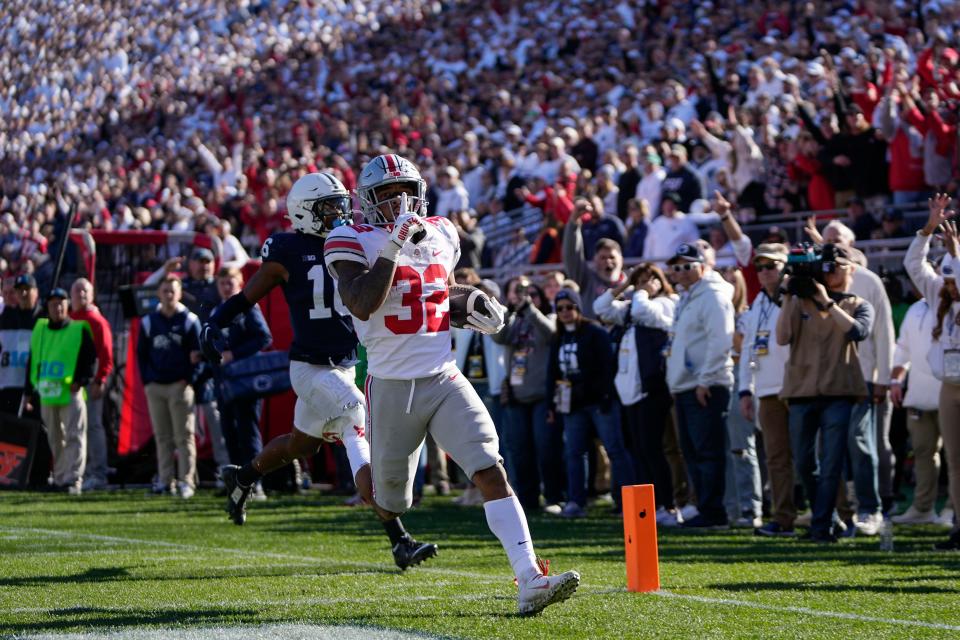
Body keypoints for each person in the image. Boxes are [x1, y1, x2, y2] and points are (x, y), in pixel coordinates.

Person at [324, 154, 579, 615]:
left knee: (489, 466)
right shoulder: (350, 238)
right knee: (390, 500)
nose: (400, 201)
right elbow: (362, 302)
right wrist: (393, 245)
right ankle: (352, 438)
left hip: (443, 376)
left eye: (406, 191)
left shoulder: (441, 231)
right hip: (391, 387)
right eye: (387, 194)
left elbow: (437, 295)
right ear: (367, 200)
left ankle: (529, 578)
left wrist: (475, 303)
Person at [202, 172, 437, 570]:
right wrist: (215, 322)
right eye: (328, 206)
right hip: (310, 368)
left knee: (299, 446)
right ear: (305, 212)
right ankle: (400, 539)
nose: (339, 212)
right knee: (357, 421)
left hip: (346, 365)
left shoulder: (355, 239)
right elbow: (247, 295)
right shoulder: (287, 249)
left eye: (341, 203)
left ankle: (243, 477)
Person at [777, 244, 874, 543]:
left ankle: (821, 527)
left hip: (839, 391)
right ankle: (827, 518)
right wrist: (789, 296)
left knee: (832, 462)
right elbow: (782, 337)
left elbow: (857, 332)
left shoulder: (858, 303)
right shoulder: (799, 301)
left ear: (851, 270)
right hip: (801, 391)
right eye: (826, 267)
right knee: (804, 462)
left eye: (837, 267)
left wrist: (826, 302)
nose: (830, 273)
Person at [593, 263, 679, 525]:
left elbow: (644, 312)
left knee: (654, 450)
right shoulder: (632, 305)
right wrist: (625, 284)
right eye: (639, 279)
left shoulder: (667, 302)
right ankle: (648, 507)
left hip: (652, 389)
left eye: (649, 279)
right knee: (639, 450)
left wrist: (641, 292)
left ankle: (667, 504)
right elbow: (601, 308)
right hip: (629, 392)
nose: (643, 284)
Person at [902, 194, 960, 550]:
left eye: (954, 277)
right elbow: (913, 262)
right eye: (947, 276)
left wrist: (955, 253)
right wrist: (928, 228)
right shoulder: (938, 292)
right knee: (955, 460)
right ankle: (959, 524)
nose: (949, 284)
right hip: (949, 386)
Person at [664, 243, 735, 529]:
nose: (681, 271)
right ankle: (702, 506)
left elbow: (721, 340)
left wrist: (706, 380)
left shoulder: (714, 296)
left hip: (705, 386)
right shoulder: (688, 297)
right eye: (676, 267)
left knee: (707, 451)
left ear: (702, 266)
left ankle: (714, 511)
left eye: (687, 265)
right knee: (693, 452)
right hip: (686, 385)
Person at [547, 288, 635, 518]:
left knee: (615, 449)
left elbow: (608, 366)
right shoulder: (558, 336)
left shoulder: (594, 332)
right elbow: (552, 373)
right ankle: (576, 501)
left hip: (599, 402)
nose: (565, 312)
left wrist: (605, 396)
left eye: (570, 307)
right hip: (572, 405)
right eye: (560, 308)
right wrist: (552, 404)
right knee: (574, 452)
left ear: (578, 308)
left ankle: (625, 502)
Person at [738, 244, 797, 537]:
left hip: (799, 388)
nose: (763, 272)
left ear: (785, 266)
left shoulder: (797, 295)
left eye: (770, 266)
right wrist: (744, 391)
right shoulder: (758, 302)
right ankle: (784, 518)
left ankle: (831, 514)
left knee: (811, 456)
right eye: (759, 267)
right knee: (776, 457)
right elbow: (749, 348)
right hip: (766, 389)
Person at [492, 277, 565, 514]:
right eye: (522, 293)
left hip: (542, 396)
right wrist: (512, 312)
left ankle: (553, 496)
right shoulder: (516, 322)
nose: (526, 297)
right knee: (520, 451)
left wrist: (529, 309)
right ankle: (527, 499)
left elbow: (552, 334)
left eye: (532, 294)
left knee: (545, 448)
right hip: (516, 396)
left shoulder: (549, 318)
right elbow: (498, 337)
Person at [26, 288, 96, 494]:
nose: (57, 307)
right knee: (55, 439)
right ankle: (59, 477)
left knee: (74, 436)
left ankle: (73, 479)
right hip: (48, 393)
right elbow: (34, 360)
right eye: (53, 303)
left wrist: (81, 381)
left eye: (61, 303)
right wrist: (29, 390)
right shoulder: (41, 329)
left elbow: (90, 358)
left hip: (70, 391)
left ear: (67, 305)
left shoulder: (79, 329)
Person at [138, 276, 202, 498]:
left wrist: (189, 379)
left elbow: (198, 354)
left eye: (172, 291)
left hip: (179, 385)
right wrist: (148, 381)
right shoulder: (148, 321)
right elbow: (141, 355)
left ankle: (186, 482)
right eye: (164, 291)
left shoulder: (189, 320)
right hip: (156, 386)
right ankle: (165, 481)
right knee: (162, 437)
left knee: (183, 436)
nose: (168, 295)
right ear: (158, 293)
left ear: (180, 293)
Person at [210, 266, 271, 496]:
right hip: (224, 381)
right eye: (222, 283)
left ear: (239, 284)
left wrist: (235, 354)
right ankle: (237, 482)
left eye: (230, 283)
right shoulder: (218, 310)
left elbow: (264, 336)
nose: (226, 288)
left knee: (248, 431)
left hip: (246, 380)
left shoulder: (248, 308)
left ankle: (256, 483)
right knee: (229, 431)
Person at [889, 292, 944, 525]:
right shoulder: (915, 309)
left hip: (951, 390)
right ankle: (923, 508)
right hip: (918, 395)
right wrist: (896, 380)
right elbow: (903, 348)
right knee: (922, 451)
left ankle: (953, 509)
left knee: (956, 456)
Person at [69, 278, 114, 491]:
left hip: (90, 380)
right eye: (77, 291)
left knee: (93, 426)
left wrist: (100, 379)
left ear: (92, 294)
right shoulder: (70, 318)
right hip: (73, 382)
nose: (81, 295)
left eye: (84, 291)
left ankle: (98, 472)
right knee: (77, 427)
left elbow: (106, 353)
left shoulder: (95, 320)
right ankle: (82, 471)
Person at [563, 203, 625, 320]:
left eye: (612, 257)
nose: (608, 261)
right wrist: (574, 222)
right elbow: (572, 255)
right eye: (602, 257)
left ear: (621, 259)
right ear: (595, 260)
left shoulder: (630, 285)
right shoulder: (586, 280)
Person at [0, 274, 42, 415]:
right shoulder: (5, 317)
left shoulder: (43, 319)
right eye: (19, 290)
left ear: (36, 292)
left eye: (27, 289)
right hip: (7, 386)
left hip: (34, 390)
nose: (23, 294)